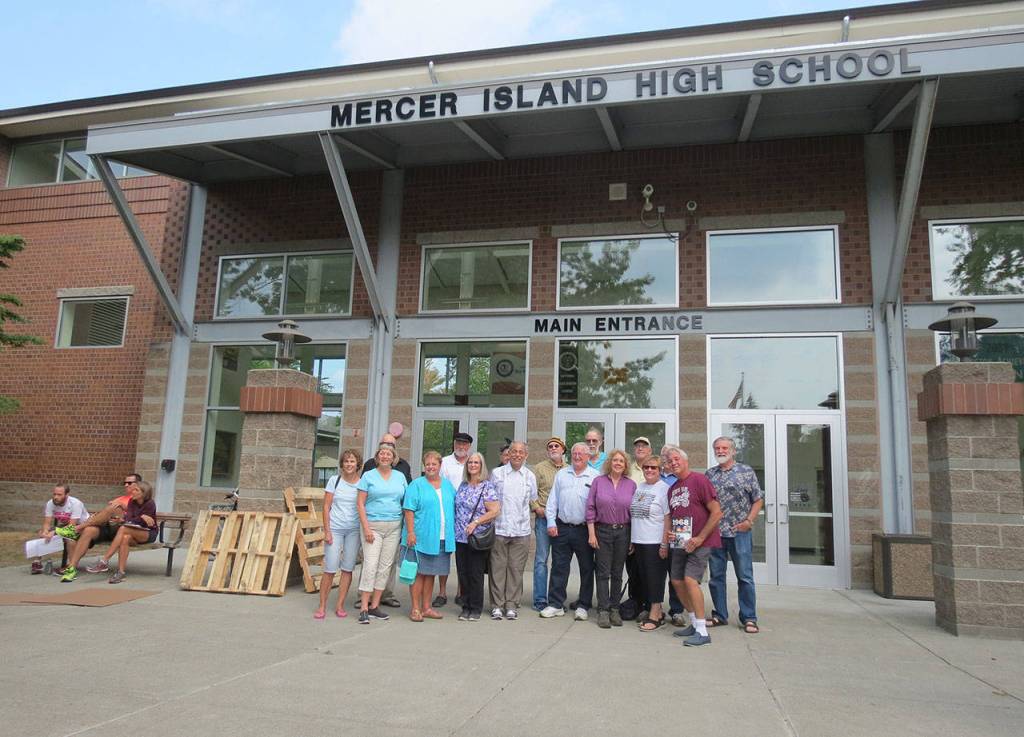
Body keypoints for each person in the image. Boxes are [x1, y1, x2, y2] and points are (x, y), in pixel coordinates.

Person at [663, 445, 722, 646]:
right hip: (681, 542)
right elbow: (675, 517)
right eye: (670, 461)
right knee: (677, 581)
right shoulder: (672, 489)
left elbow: (716, 512)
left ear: (685, 460)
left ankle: (703, 631)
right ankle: (694, 623)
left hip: (701, 541)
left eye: (676, 459)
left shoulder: (699, 480)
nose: (673, 463)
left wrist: (700, 538)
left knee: (690, 581)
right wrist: (671, 535)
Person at [706, 436, 764, 633]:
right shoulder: (710, 474)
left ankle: (749, 617)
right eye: (717, 448)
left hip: (739, 532)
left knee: (745, 576)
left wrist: (749, 521)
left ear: (733, 450)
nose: (720, 451)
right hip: (715, 533)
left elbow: (758, 499)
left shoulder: (745, 471)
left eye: (724, 448)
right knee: (716, 577)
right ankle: (720, 614)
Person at [541, 442, 597, 620]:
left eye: (582, 453)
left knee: (587, 568)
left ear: (588, 457)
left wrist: (593, 532)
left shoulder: (595, 477)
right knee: (559, 567)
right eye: (575, 453)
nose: (578, 456)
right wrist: (551, 522)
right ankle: (556, 604)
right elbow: (552, 502)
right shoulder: (562, 474)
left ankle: (584, 605)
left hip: (584, 530)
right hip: (562, 528)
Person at [356, 444, 408, 624]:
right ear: (377, 457)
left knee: (385, 567)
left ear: (393, 458)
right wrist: (367, 528)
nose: (385, 456)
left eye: (389, 454)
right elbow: (360, 504)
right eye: (382, 453)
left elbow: (405, 502)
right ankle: (363, 607)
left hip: (394, 527)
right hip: (373, 527)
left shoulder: (400, 476)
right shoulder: (368, 476)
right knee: (370, 565)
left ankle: (375, 606)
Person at [402, 450, 456, 622]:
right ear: (424, 467)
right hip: (420, 536)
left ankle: (427, 607)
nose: (431, 467)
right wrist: (410, 532)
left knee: (431, 573)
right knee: (418, 573)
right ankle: (416, 608)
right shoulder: (416, 485)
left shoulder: (448, 485)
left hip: (440, 538)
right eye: (428, 464)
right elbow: (408, 509)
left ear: (440, 466)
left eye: (434, 464)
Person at [586, 449, 636, 628]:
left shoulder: (631, 485)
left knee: (617, 573)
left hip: (624, 532)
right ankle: (603, 610)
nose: (618, 463)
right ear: (609, 463)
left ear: (625, 465)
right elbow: (590, 508)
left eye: (621, 461)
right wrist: (591, 533)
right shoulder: (598, 482)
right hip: (602, 532)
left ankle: (615, 609)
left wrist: (632, 539)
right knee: (602, 573)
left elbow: (634, 513)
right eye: (615, 460)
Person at [488, 441, 537, 620]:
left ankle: (511, 605)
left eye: (520, 452)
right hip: (499, 528)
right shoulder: (497, 473)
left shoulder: (530, 476)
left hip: (521, 530)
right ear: (508, 454)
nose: (517, 454)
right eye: (513, 451)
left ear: (526, 455)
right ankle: (497, 606)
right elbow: (490, 498)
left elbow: (532, 499)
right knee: (497, 569)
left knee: (516, 569)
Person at [74, 480, 157, 584]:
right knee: (125, 538)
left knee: (123, 529)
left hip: (148, 533)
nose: (133, 492)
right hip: (132, 531)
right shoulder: (132, 501)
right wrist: (125, 520)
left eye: (136, 490)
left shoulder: (150, 503)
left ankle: (104, 560)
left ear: (143, 493)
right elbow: (130, 518)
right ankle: (121, 573)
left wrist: (137, 518)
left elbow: (146, 524)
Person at [314, 450, 363, 620]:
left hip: (353, 530)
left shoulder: (362, 483)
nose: (349, 464)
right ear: (342, 464)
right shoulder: (335, 481)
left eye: (352, 461)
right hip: (335, 528)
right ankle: (322, 606)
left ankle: (340, 605)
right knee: (330, 567)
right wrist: (327, 530)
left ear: (358, 464)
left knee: (348, 568)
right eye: (346, 461)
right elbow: (326, 507)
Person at [453, 452, 500, 621]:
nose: (473, 465)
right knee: (463, 573)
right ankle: (465, 606)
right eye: (470, 462)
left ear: (481, 466)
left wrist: (476, 523)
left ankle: (475, 608)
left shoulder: (487, 487)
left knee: (476, 574)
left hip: (477, 537)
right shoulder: (463, 485)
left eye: (476, 463)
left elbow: (495, 510)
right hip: (460, 537)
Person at [630, 455, 671, 631]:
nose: (649, 470)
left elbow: (667, 518)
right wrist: (632, 539)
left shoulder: (664, 489)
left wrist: (664, 544)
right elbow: (634, 515)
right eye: (646, 467)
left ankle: (655, 614)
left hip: (655, 542)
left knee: (655, 578)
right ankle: (656, 610)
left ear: (660, 470)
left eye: (653, 467)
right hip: (639, 541)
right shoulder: (639, 487)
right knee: (644, 578)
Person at [435, 431, 473, 608]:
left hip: (467, 516)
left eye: (465, 444)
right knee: (444, 553)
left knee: (463, 556)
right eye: (458, 443)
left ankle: (461, 591)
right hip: (447, 513)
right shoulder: (444, 462)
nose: (461, 446)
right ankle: (442, 592)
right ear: (454, 444)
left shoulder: (473, 462)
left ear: (469, 447)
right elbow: (438, 485)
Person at [529, 436, 565, 612]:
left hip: (561, 522)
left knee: (559, 562)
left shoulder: (569, 469)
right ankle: (540, 600)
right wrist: (537, 509)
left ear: (563, 449)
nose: (553, 448)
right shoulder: (539, 468)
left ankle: (555, 599)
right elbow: (530, 492)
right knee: (541, 560)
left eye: (556, 446)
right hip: (544, 519)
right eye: (550, 446)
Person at [31, 484, 89, 574]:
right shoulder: (50, 503)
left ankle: (71, 566)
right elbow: (47, 523)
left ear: (66, 495)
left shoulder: (75, 503)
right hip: (66, 526)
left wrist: (55, 532)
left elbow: (72, 526)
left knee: (69, 538)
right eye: (54, 494)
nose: (55, 497)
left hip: (82, 527)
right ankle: (37, 563)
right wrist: (45, 531)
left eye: (59, 495)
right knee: (43, 533)